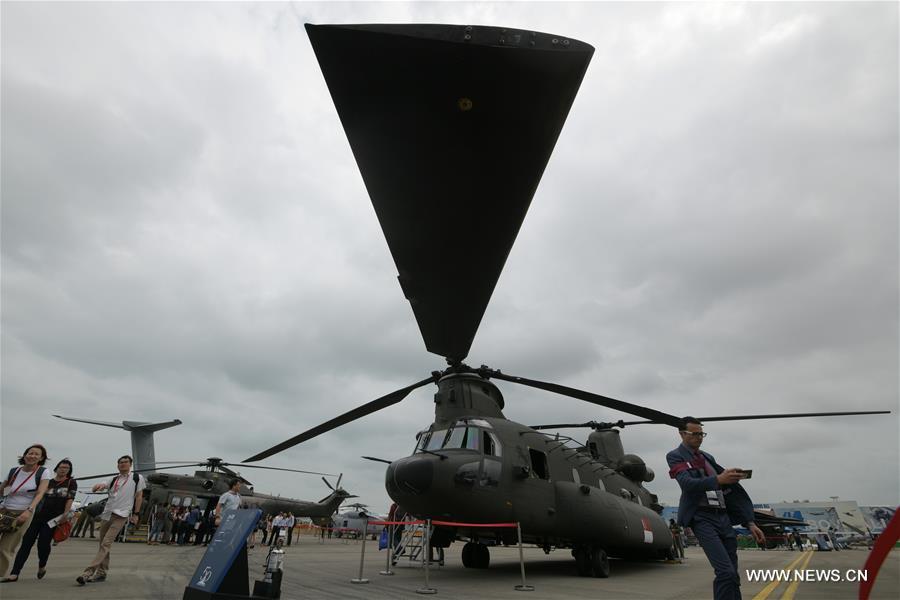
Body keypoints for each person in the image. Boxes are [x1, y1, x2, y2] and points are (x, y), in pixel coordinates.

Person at [667, 417, 765, 600]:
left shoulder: (707, 458)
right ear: (681, 434)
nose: (699, 437)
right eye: (694, 434)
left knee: (733, 575)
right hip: (702, 518)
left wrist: (749, 522)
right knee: (725, 572)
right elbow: (687, 484)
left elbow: (729, 492)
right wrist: (719, 479)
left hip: (723, 517)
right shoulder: (675, 456)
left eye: (701, 434)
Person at [76, 455, 146, 585]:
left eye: (125, 462)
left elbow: (139, 496)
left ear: (130, 464)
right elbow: (103, 484)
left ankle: (87, 573)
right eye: (120, 462)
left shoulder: (137, 478)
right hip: (107, 514)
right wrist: (98, 486)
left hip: (121, 515)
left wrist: (136, 514)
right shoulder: (114, 479)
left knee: (106, 543)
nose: (122, 464)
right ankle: (102, 573)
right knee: (103, 544)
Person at [7, 459, 77, 582]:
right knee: (26, 543)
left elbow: (70, 498)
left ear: (69, 470)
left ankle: (42, 566)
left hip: (53, 519)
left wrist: (65, 514)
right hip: (37, 515)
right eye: (61, 467)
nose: (63, 470)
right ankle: (15, 573)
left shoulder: (71, 482)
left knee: (43, 544)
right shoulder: (47, 481)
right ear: (56, 468)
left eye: (66, 468)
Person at [0, 444, 51, 582]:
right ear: (24, 455)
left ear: (41, 458)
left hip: (23, 512)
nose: (32, 456)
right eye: (30, 453)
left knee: (5, 547)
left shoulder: (43, 472)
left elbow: (40, 493)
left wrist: (29, 510)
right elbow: (3, 489)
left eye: (36, 454)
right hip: (4, 510)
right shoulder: (14, 471)